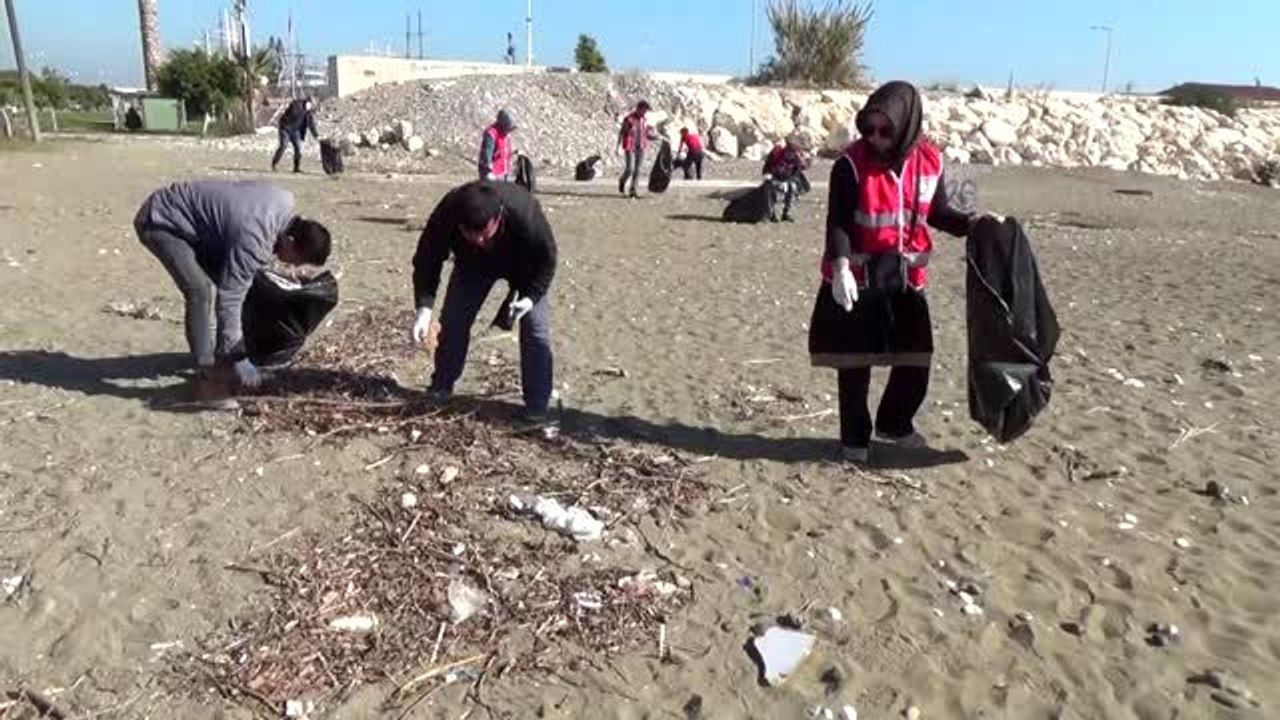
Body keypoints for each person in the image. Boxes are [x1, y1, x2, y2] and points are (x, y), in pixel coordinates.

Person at [808, 80, 1000, 463]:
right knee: (855, 364)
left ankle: (894, 423)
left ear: (907, 126)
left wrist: (976, 223)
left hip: (906, 279)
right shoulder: (849, 164)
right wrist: (842, 266)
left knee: (915, 358)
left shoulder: (930, 160)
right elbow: (839, 223)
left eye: (886, 130)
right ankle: (854, 440)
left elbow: (939, 212)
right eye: (869, 129)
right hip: (858, 278)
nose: (876, 138)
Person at [134, 180, 332, 402]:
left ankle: (224, 360)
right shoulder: (255, 238)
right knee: (199, 290)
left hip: (201, 228)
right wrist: (241, 359)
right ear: (290, 240)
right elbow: (230, 298)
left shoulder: (284, 199)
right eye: (297, 260)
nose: (293, 266)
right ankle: (207, 373)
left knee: (241, 282)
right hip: (161, 219)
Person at [411, 181, 557, 422]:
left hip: (525, 266)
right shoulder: (448, 211)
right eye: (471, 235)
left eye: (484, 234)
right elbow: (428, 258)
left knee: (536, 330)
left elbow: (547, 259)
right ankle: (441, 386)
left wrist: (530, 299)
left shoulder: (523, 212)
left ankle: (537, 406)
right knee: (454, 320)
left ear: (498, 218)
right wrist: (424, 309)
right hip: (472, 266)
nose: (479, 241)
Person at [762, 137, 807, 222]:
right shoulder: (775, 155)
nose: (790, 155)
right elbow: (766, 169)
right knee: (770, 188)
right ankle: (771, 213)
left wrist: (788, 181)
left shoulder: (795, 159)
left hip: (787, 181)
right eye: (789, 152)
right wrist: (770, 176)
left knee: (792, 187)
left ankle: (786, 213)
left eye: (793, 153)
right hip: (773, 179)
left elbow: (797, 173)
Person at [271, 97, 319, 173]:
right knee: (283, 145)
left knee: (298, 148)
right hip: (285, 127)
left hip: (295, 130)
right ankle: (274, 163)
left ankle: (296, 168)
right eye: (311, 104)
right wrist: (303, 109)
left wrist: (316, 135)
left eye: (313, 105)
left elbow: (311, 125)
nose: (311, 106)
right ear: (307, 102)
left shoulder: (308, 112)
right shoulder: (297, 104)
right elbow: (293, 111)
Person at [616, 100, 653, 198]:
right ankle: (622, 180)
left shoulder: (644, 120)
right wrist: (618, 147)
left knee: (638, 170)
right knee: (630, 169)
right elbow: (622, 133)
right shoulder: (629, 119)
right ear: (638, 108)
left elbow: (646, 133)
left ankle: (633, 190)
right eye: (643, 110)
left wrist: (655, 137)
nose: (644, 113)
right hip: (630, 146)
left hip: (641, 146)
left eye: (646, 111)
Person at [478, 109, 517, 181]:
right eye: (508, 128)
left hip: (504, 172)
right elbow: (487, 153)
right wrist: (488, 172)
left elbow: (505, 151)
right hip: (492, 174)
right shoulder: (491, 134)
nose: (509, 131)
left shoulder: (507, 135)